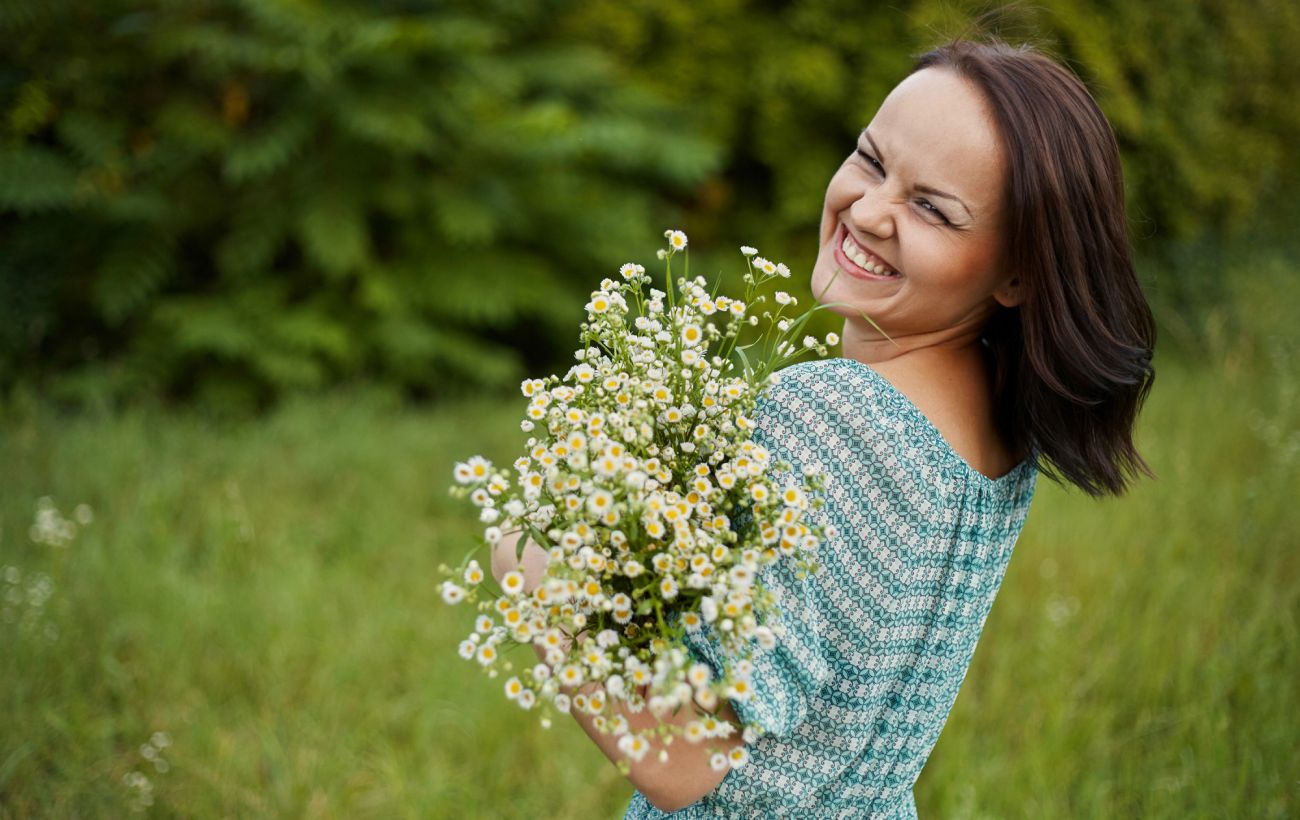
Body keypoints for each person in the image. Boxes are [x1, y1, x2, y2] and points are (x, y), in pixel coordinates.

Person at [494, 37, 1155, 818]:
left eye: (933, 209)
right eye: (871, 161)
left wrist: (532, 555)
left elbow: (681, 762)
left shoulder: (831, 420)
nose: (870, 211)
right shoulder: (998, 428)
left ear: (1016, 273)